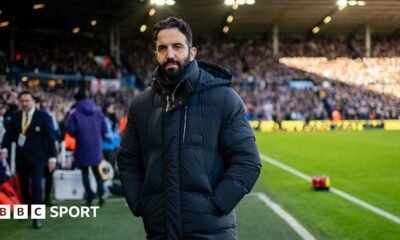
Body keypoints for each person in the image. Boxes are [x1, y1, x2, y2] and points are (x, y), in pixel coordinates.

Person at [117, 17, 261, 240]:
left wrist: (217, 205)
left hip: (212, 233)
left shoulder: (224, 99)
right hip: (160, 232)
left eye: (177, 46)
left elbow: (248, 162)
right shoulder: (141, 105)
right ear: (155, 54)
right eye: (162, 48)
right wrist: (139, 203)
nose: (170, 54)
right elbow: (127, 159)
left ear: (192, 52)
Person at [0, 91, 57, 229]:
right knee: (23, 186)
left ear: (33, 101)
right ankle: (26, 211)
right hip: (21, 158)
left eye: (27, 100)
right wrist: (4, 149)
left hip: (38, 158)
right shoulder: (16, 116)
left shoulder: (43, 117)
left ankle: (37, 217)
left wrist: (52, 157)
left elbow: (51, 139)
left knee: (37, 185)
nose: (24, 103)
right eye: (22, 101)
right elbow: (8, 135)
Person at [66, 88, 108, 206]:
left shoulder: (75, 112)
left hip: (82, 146)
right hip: (96, 146)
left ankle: (89, 197)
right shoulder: (97, 110)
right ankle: (101, 194)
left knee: (85, 173)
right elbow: (104, 129)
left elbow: (71, 130)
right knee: (96, 171)